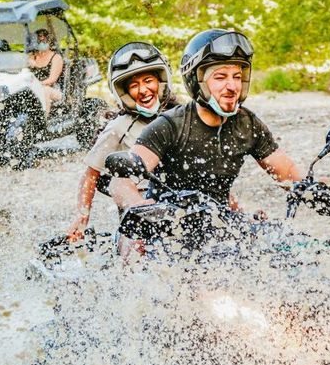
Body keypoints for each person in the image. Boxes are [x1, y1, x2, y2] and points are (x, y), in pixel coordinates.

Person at [107, 29, 303, 229]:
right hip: (168, 227)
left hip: (222, 224)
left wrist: (319, 189)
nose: (232, 86)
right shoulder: (170, 125)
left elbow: (288, 173)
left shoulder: (248, 123)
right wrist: (139, 205)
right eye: (220, 77)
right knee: (134, 244)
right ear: (196, 81)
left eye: (237, 76)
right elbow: (120, 183)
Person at [66, 42, 178, 241]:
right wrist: (82, 216)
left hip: (180, 197)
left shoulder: (181, 118)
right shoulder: (119, 126)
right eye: (134, 86)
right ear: (124, 93)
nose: (143, 90)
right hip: (139, 204)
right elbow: (91, 174)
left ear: (161, 81)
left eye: (148, 81)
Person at [28, 28, 63, 114]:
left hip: (53, 89)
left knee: (44, 90)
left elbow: (51, 80)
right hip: (33, 87)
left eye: (44, 40)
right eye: (39, 41)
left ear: (48, 41)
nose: (41, 43)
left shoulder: (56, 57)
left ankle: (44, 120)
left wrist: (36, 85)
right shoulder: (32, 57)